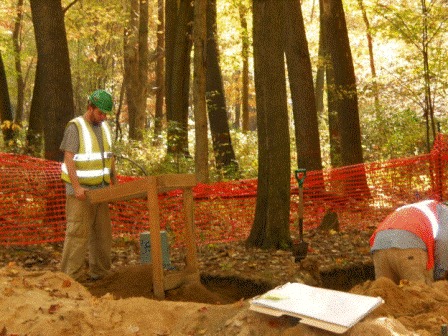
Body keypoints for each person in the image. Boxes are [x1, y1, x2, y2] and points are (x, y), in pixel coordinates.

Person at [60, 89, 118, 282]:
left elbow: (109, 158)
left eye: (106, 114)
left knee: (103, 236)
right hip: (81, 193)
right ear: (90, 108)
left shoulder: (104, 128)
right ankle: (70, 278)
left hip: (101, 191)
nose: (103, 117)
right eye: (100, 113)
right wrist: (76, 187)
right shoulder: (75, 127)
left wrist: (114, 183)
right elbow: (68, 157)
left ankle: (100, 275)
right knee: (77, 235)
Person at [370, 199, 448, 285]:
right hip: (409, 245)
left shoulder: (421, 206)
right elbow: (444, 242)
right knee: (419, 294)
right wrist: (440, 275)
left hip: (379, 246)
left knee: (385, 294)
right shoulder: (445, 211)